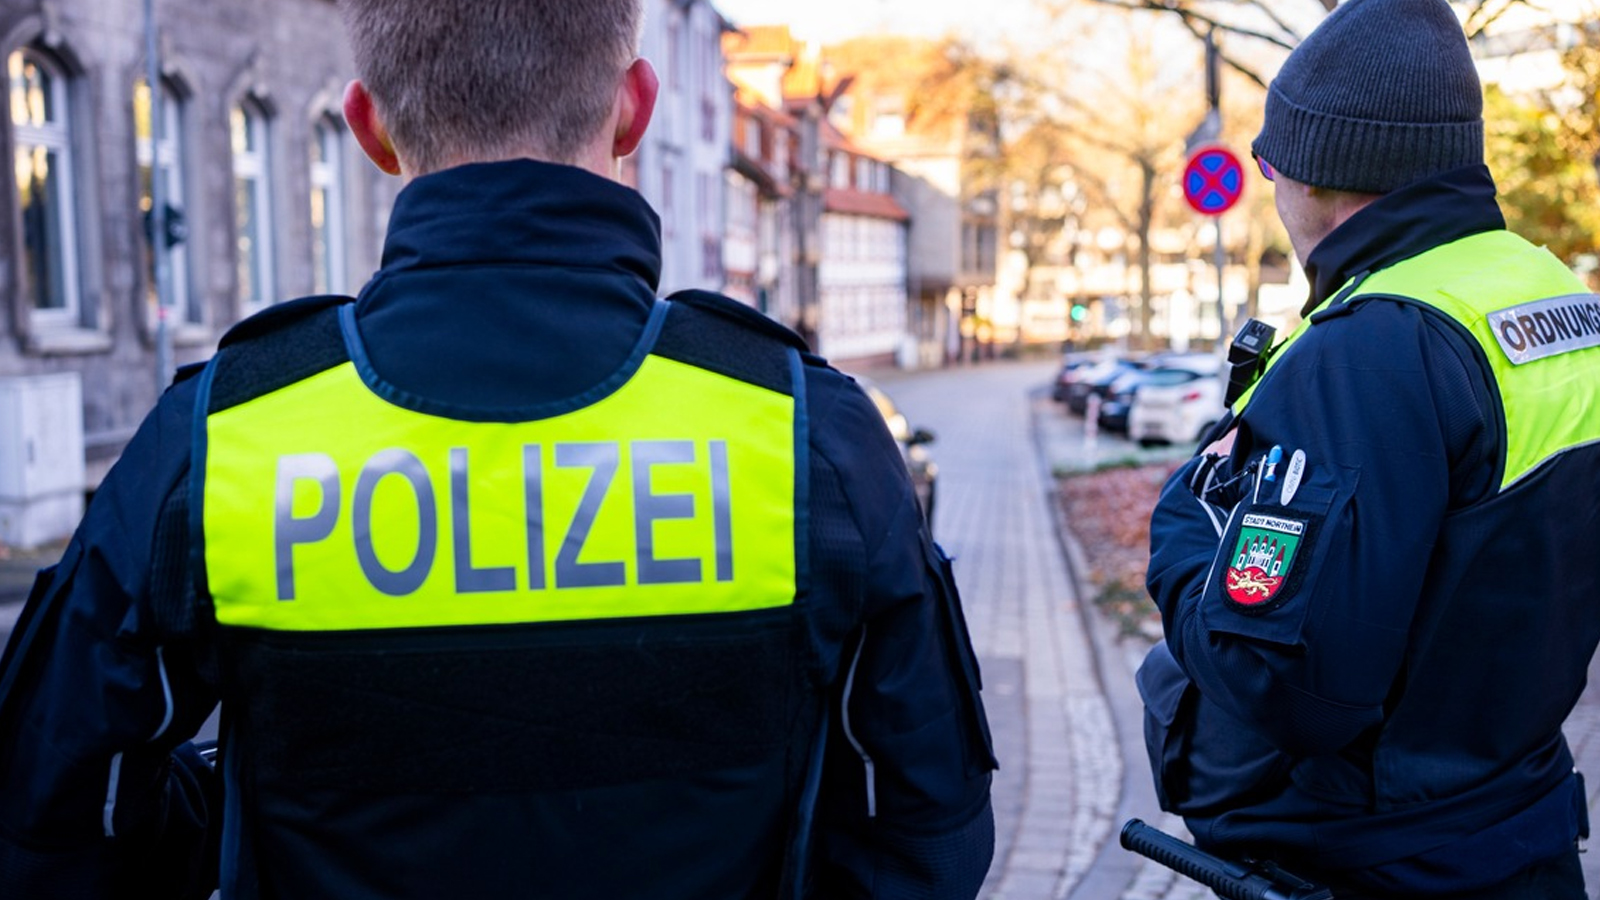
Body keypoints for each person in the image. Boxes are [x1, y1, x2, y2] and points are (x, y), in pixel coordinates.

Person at [0, 2, 997, 897]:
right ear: (635, 108)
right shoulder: (803, 431)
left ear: (369, 126)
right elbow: (926, 835)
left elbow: (49, 816)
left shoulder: (223, 437)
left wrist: (246, 819)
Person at [1138, 0, 1600, 896]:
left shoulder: (1369, 352)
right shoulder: (1552, 296)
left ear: (1318, 173)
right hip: (1514, 826)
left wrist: (1188, 522)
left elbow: (1289, 687)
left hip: (1372, 859)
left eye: (1268, 164)